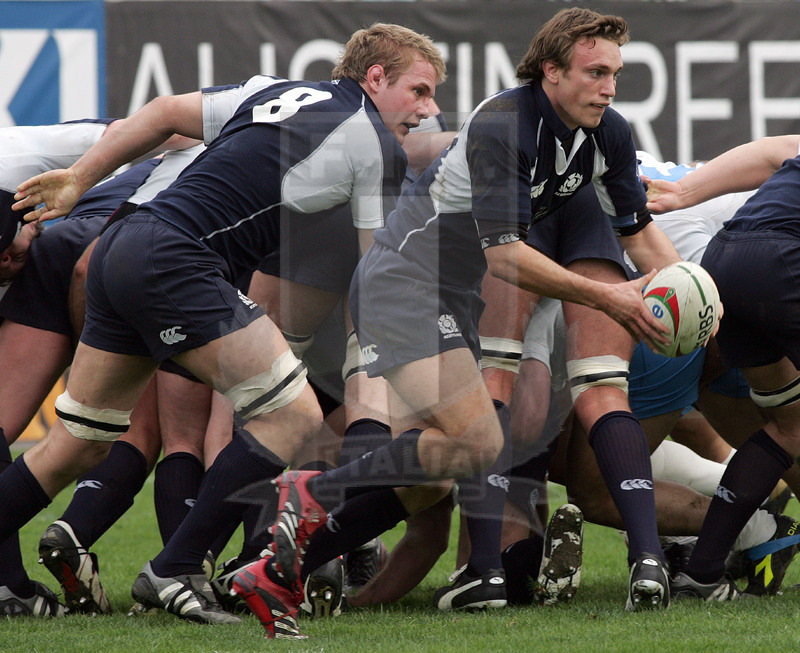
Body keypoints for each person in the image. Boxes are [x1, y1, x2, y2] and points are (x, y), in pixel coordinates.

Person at [9, 23, 445, 635]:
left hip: (122, 246)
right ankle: (177, 566)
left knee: (77, 443)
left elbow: (161, 112)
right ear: (375, 77)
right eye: (419, 91)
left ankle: (178, 562)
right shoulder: (377, 147)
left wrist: (81, 179)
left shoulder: (273, 90)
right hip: (177, 263)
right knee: (293, 415)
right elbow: (377, 278)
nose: (428, 110)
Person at [258, 8, 685, 629]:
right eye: (596, 72)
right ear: (551, 71)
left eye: (615, 73)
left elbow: (638, 230)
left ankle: (272, 569)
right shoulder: (504, 124)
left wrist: (691, 286)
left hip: (448, 295)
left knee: (446, 466)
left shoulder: (607, 133)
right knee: (479, 442)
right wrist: (609, 298)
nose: (610, 87)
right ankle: (311, 497)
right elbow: (507, 256)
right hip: (403, 281)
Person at [642, 134, 800, 600]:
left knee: (790, 425)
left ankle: (704, 568)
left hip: (724, 260)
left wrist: (684, 192)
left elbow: (774, 151)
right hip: (778, 260)